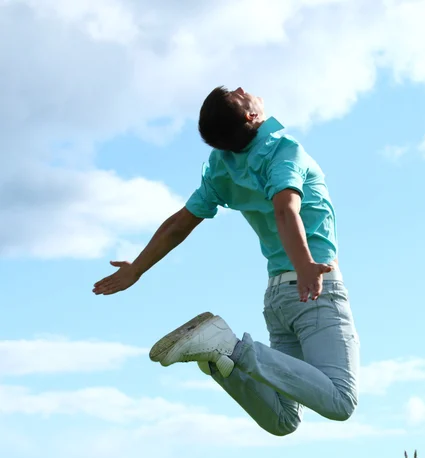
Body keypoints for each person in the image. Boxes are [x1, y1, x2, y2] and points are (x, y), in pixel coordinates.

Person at [93, 86, 360, 436]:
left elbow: (179, 225)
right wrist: (306, 263)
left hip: (279, 299)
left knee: (283, 420)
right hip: (314, 288)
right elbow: (284, 207)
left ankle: (221, 360)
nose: (244, 88)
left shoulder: (222, 168)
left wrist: (136, 270)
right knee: (341, 401)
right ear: (251, 116)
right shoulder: (283, 150)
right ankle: (231, 346)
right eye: (238, 93)